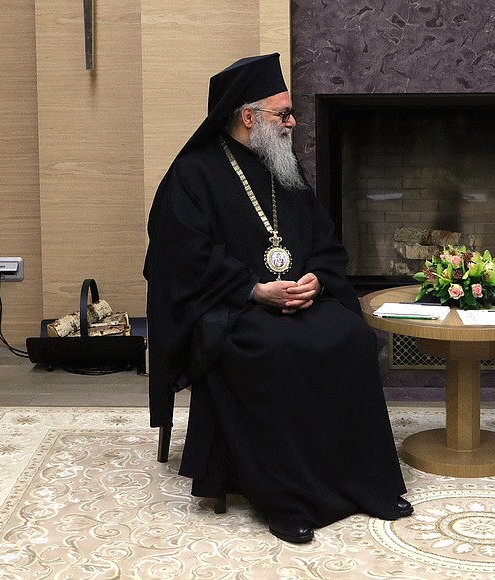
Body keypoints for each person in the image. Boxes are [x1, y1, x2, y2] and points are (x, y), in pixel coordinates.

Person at [144, 53, 412, 544]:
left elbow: (324, 241)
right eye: (283, 113)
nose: (293, 122)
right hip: (232, 306)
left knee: (351, 336)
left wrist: (317, 280)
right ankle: (286, 501)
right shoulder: (193, 174)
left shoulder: (283, 168)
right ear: (248, 117)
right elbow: (181, 258)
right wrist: (253, 289)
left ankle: (367, 483)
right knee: (273, 349)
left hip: (298, 298)